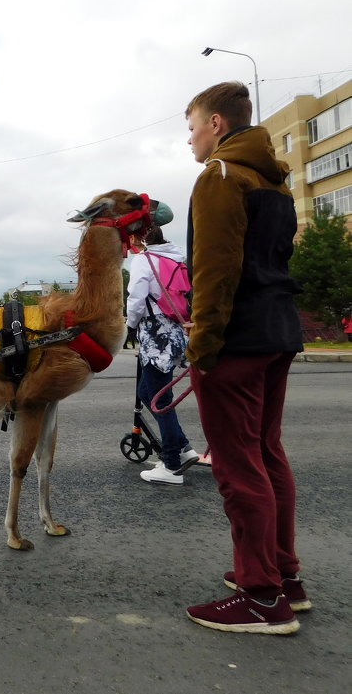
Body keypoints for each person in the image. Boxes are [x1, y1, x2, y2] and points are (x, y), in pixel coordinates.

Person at [182, 81, 307, 635]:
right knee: (267, 453)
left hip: (236, 338)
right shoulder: (274, 181)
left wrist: (202, 346)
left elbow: (216, 270)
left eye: (191, 128)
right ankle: (285, 578)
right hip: (279, 330)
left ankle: (261, 598)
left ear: (215, 124)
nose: (189, 141)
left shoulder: (220, 177)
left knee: (237, 467)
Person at [125, 225, 198, 485]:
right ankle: (184, 448)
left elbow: (136, 297)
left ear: (137, 237)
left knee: (159, 399)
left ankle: (172, 465)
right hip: (176, 330)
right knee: (148, 393)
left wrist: (130, 325)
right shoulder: (173, 256)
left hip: (155, 334)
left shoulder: (144, 259)